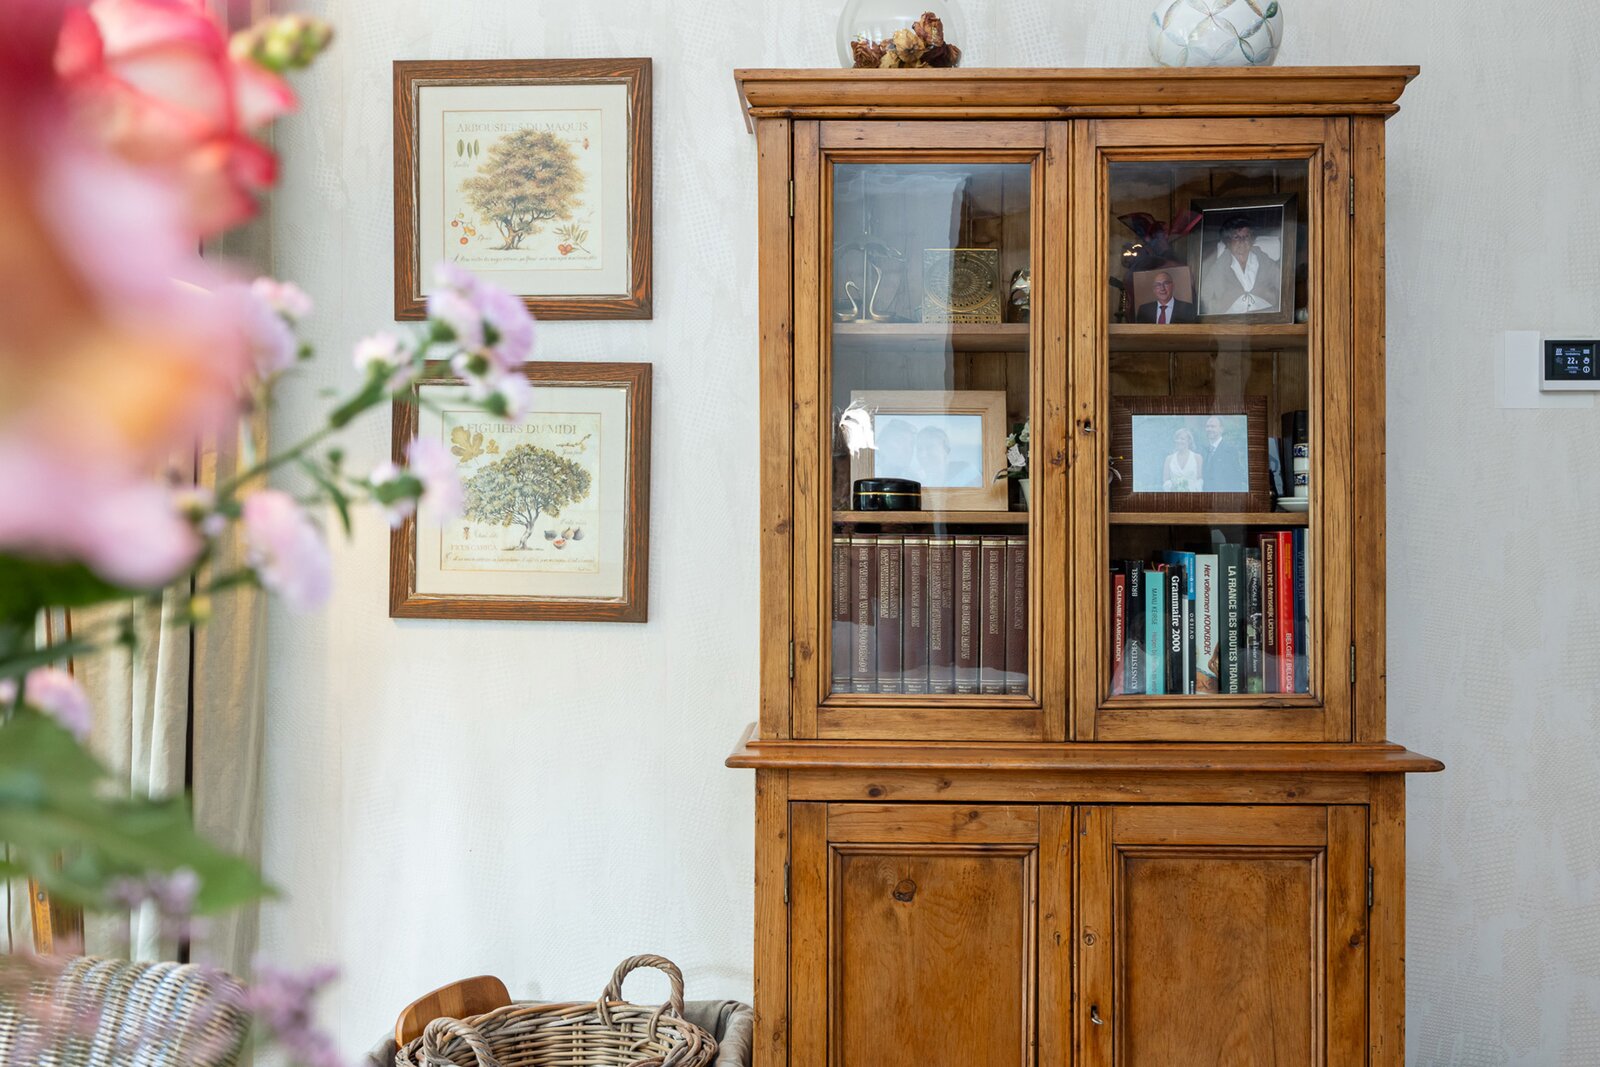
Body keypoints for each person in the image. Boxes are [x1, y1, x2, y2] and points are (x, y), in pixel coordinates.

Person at [1199, 216, 1281, 316]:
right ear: (1228, 242)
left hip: (1264, 314)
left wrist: (1272, 295)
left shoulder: (1263, 260)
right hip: (1233, 318)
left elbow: (1282, 283)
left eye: (1246, 236)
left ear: (1252, 240)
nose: (1242, 241)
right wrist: (1220, 304)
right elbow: (1204, 297)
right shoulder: (1220, 265)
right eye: (1236, 237)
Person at [914, 425, 978, 488]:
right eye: (919, 449)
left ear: (946, 450)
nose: (922, 454)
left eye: (930, 447)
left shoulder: (966, 472)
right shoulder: (921, 480)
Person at [1200, 415, 1246, 492]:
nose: (1209, 429)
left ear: (1221, 429)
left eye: (1213, 426)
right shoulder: (1203, 451)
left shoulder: (1230, 451)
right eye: (1207, 426)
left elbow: (1236, 479)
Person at [1162, 427, 1203, 492]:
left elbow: (1199, 480)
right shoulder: (1169, 459)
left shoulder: (1197, 458)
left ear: (1189, 441)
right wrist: (1173, 486)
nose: (1179, 441)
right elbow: (1166, 481)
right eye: (1177, 439)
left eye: (1182, 439)